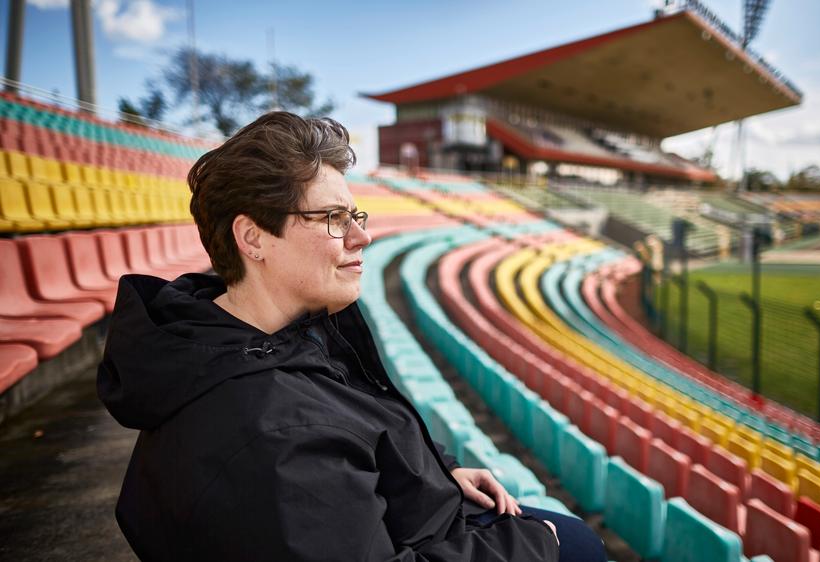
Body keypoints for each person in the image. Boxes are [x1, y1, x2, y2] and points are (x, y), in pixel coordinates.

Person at [98, 111, 606, 561]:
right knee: (576, 539)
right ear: (253, 238)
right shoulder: (271, 435)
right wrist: (543, 543)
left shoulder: (268, 329)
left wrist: (436, 472)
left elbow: (359, 436)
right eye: (333, 219)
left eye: (354, 216)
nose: (362, 237)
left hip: (430, 519)